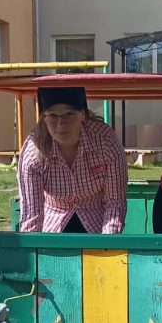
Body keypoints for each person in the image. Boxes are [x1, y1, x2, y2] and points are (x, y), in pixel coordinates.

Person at [17, 86, 127, 233]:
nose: (61, 124)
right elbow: (31, 214)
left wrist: (106, 242)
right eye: (53, 115)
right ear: (44, 118)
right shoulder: (33, 153)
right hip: (53, 224)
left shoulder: (106, 143)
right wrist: (35, 246)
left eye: (69, 114)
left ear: (82, 115)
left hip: (98, 223)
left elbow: (115, 203)